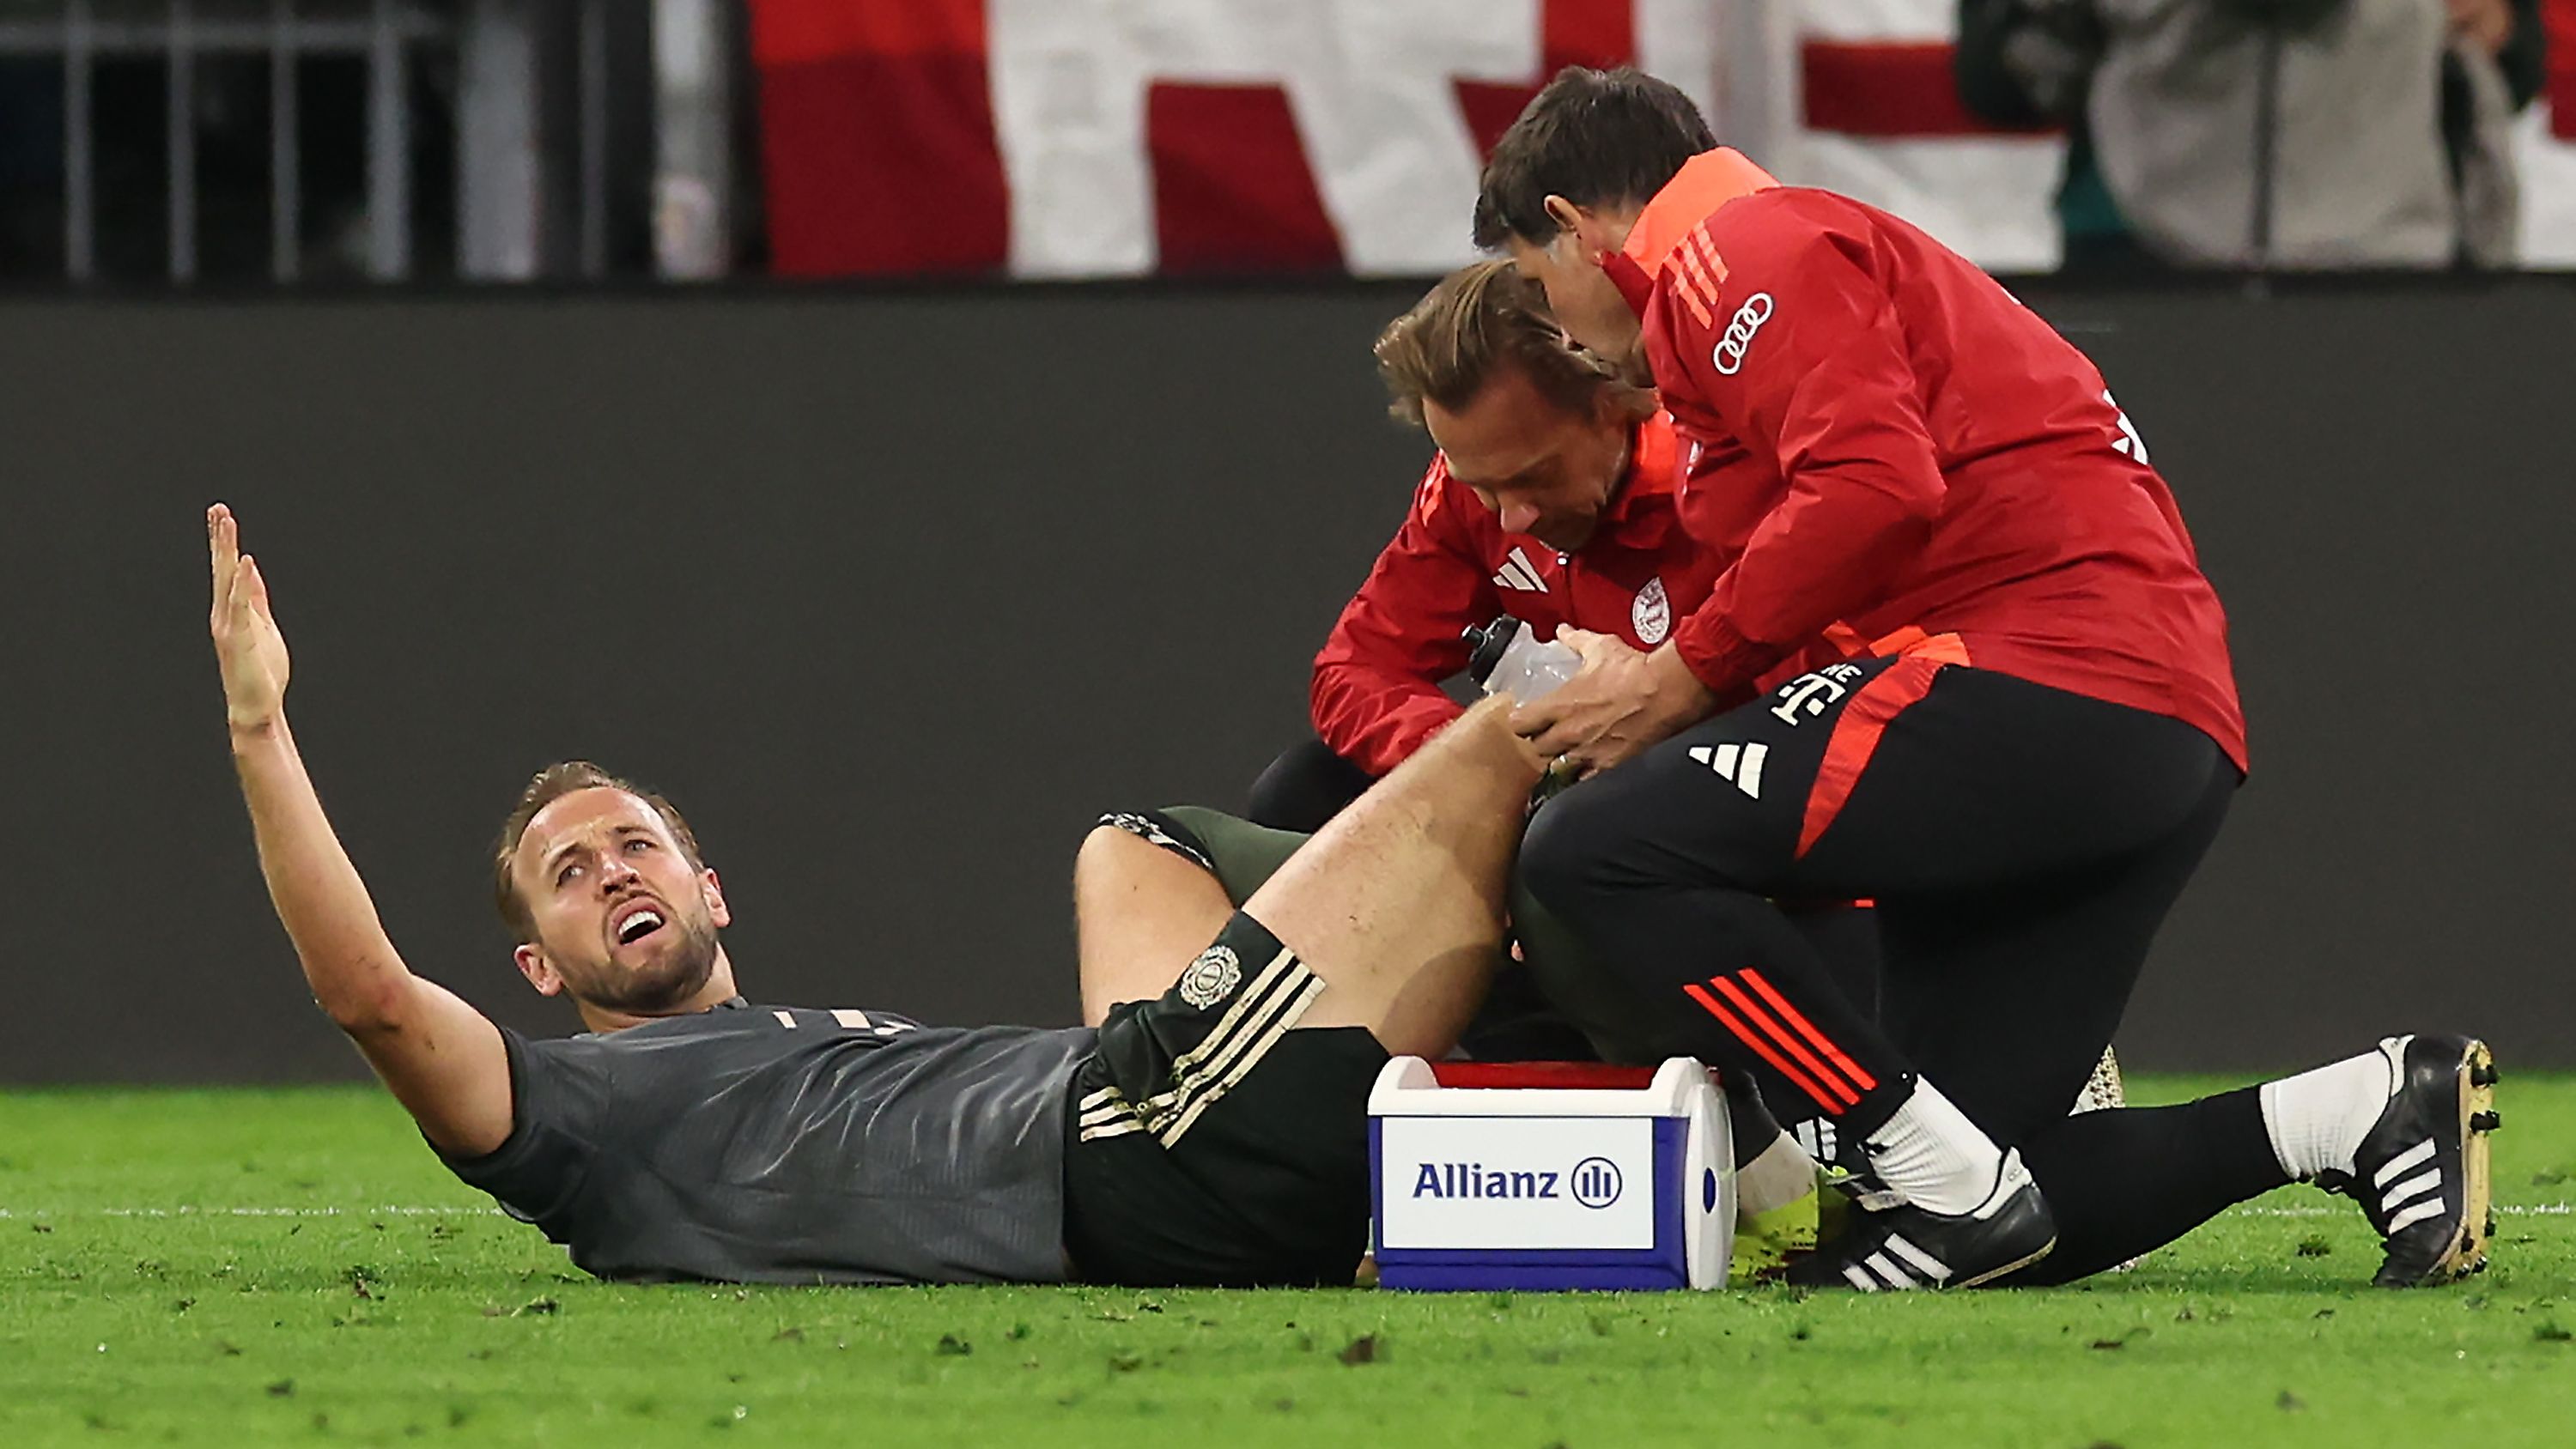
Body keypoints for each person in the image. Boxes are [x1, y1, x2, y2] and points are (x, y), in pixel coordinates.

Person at [1470, 67, 2497, 1289]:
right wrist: (1664, 681)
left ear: (1579, 231)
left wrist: (1674, 681)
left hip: (2039, 677)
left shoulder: (1733, 246)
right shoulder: (1774, 282)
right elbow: (1822, 567)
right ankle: (2361, 1109)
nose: (1561, 331)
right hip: (2150, 725)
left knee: (1591, 850)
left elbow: (1874, 485)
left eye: (1541, 290)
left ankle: (1953, 1191)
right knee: (1978, 1173)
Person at [204, 502, 1547, 1288]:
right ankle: (1630, 767)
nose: (612, 868)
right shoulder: (579, 1121)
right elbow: (368, 997)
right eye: (569, 876)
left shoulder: (817, 1038)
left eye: (634, 845)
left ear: (710, 890)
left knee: (1133, 844)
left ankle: (1543, 965)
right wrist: (263, 733)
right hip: (1130, 1161)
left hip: (1141, 1092)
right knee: (1497, 741)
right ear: (539, 972)